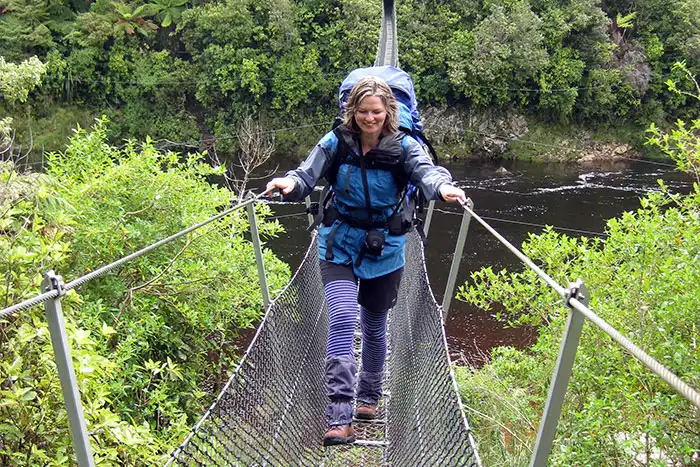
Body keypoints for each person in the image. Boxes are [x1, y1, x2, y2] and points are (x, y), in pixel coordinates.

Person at [266, 76, 465, 446]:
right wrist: (290, 184)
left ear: (388, 111)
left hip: (386, 248)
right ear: (351, 112)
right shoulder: (336, 143)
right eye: (362, 112)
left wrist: (443, 187)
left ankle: (369, 395)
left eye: (376, 112)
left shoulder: (404, 146)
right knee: (342, 317)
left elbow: (426, 173)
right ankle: (339, 415)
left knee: (374, 326)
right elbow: (307, 173)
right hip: (338, 243)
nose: (369, 119)